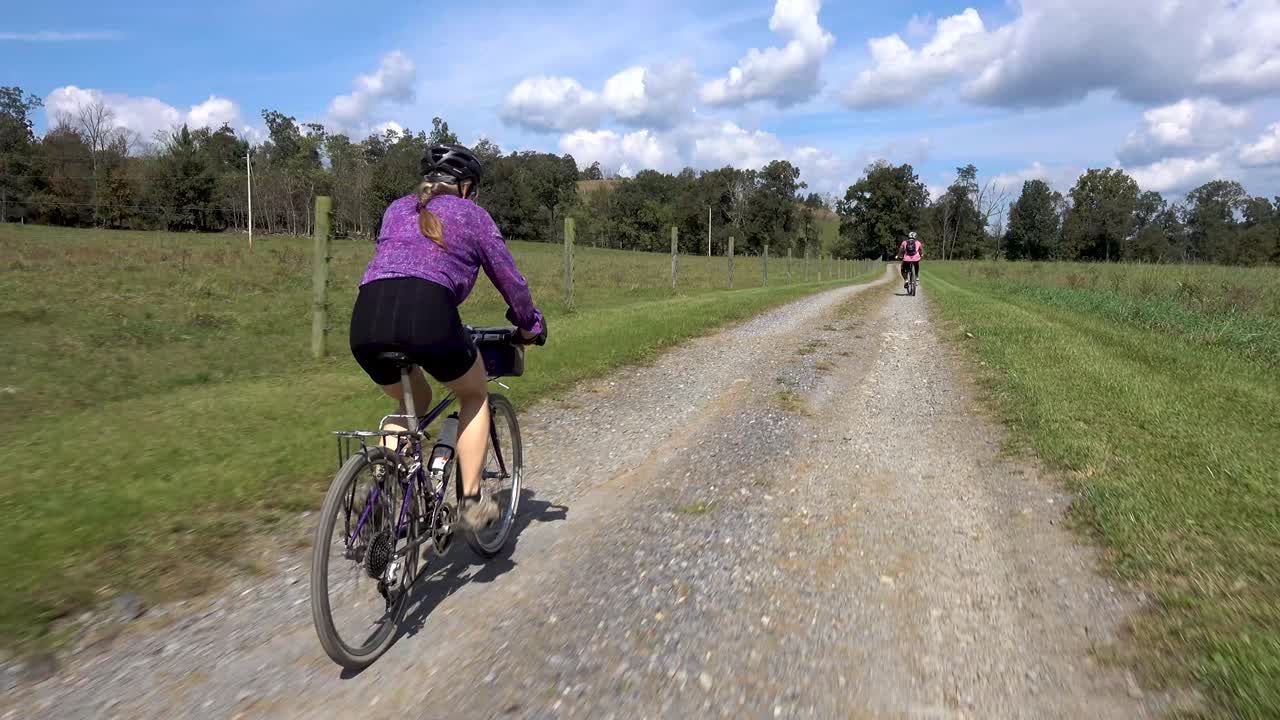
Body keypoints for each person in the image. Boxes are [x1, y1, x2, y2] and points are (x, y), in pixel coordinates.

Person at [349, 143, 545, 530]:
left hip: (366, 318)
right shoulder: (473, 215)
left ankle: (380, 494)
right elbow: (511, 282)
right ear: (467, 186)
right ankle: (471, 497)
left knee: (414, 402)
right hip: (428, 314)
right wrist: (529, 325)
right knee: (473, 394)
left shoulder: (396, 208)